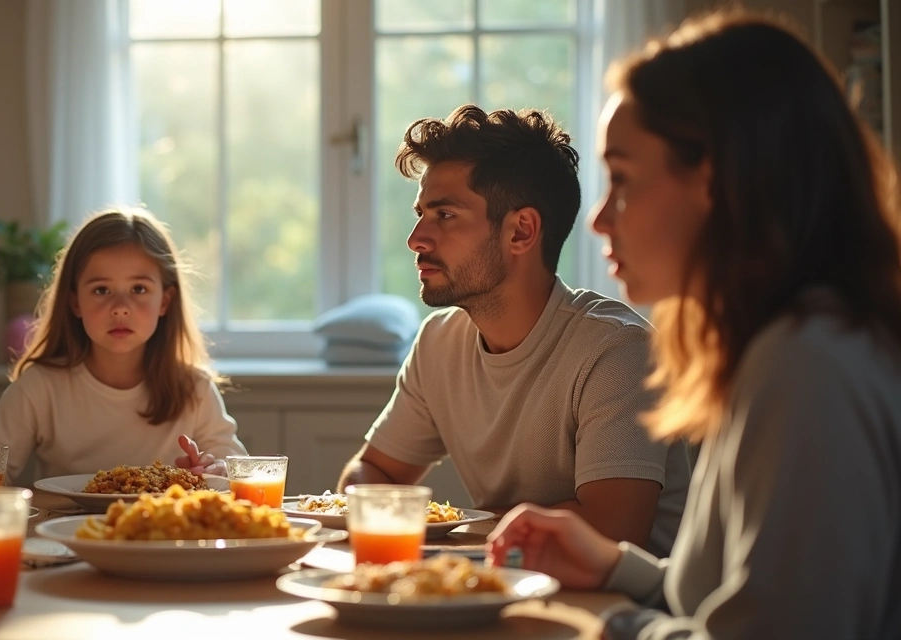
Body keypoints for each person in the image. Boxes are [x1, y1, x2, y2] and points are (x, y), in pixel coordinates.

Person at [488, 11, 901, 639]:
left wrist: (604, 629)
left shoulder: (807, 363)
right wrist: (615, 569)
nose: (598, 220)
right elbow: (734, 597)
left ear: (713, 179)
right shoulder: (774, 344)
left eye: (621, 179)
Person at [338, 105, 691, 557]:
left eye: (444, 215)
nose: (416, 238)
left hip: (616, 613)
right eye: (421, 213)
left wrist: (461, 529)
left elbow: (611, 531)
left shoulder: (617, 351)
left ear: (521, 231)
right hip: (498, 589)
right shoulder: (438, 343)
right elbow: (370, 474)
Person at [0, 207, 246, 484]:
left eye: (138, 288)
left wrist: (214, 470)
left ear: (165, 301)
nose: (120, 307)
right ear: (74, 302)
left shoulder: (195, 389)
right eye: (100, 290)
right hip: (61, 546)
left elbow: (236, 472)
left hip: (163, 542)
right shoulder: (40, 387)